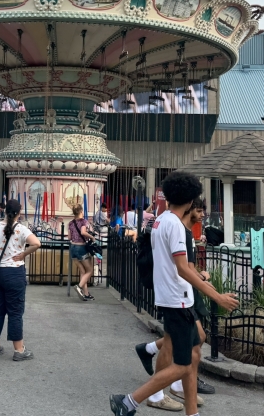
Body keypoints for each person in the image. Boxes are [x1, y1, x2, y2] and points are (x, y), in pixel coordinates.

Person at [110, 172, 239, 416]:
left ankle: (192, 413)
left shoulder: (161, 220)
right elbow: (183, 269)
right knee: (182, 365)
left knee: (191, 357)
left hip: (174, 297)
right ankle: (129, 401)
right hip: (177, 299)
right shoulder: (176, 227)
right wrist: (217, 297)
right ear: (191, 201)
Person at [133, 198, 215, 411]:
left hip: (179, 293)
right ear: (189, 206)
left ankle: (178, 389)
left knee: (189, 343)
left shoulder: (170, 223)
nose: (202, 214)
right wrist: (213, 292)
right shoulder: (178, 228)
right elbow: (183, 269)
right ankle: (141, 397)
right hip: (179, 294)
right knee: (182, 351)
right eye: (199, 209)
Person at [0, 198, 40, 361]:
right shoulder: (21, 229)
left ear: (5, 211)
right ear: (18, 213)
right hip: (14, 272)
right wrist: (23, 254)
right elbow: (36, 243)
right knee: (15, 311)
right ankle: (19, 350)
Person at [68, 204, 96, 301]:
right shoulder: (84, 221)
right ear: (81, 212)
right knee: (89, 270)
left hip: (73, 248)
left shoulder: (71, 223)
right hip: (81, 248)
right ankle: (79, 286)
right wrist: (92, 237)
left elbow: (69, 237)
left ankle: (86, 293)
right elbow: (83, 232)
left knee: (82, 271)